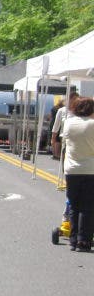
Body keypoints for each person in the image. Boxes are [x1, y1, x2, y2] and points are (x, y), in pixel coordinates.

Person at [59, 96, 94, 252]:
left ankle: (73, 240)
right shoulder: (92, 125)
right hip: (90, 169)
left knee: (74, 204)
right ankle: (84, 240)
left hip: (72, 169)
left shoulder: (69, 123)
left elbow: (65, 142)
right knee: (88, 206)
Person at [51, 91, 79, 160]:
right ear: (69, 100)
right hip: (64, 137)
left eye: (77, 99)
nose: (75, 101)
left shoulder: (79, 111)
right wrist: (53, 139)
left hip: (77, 137)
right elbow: (56, 126)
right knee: (66, 156)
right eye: (73, 99)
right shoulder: (61, 111)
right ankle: (65, 169)